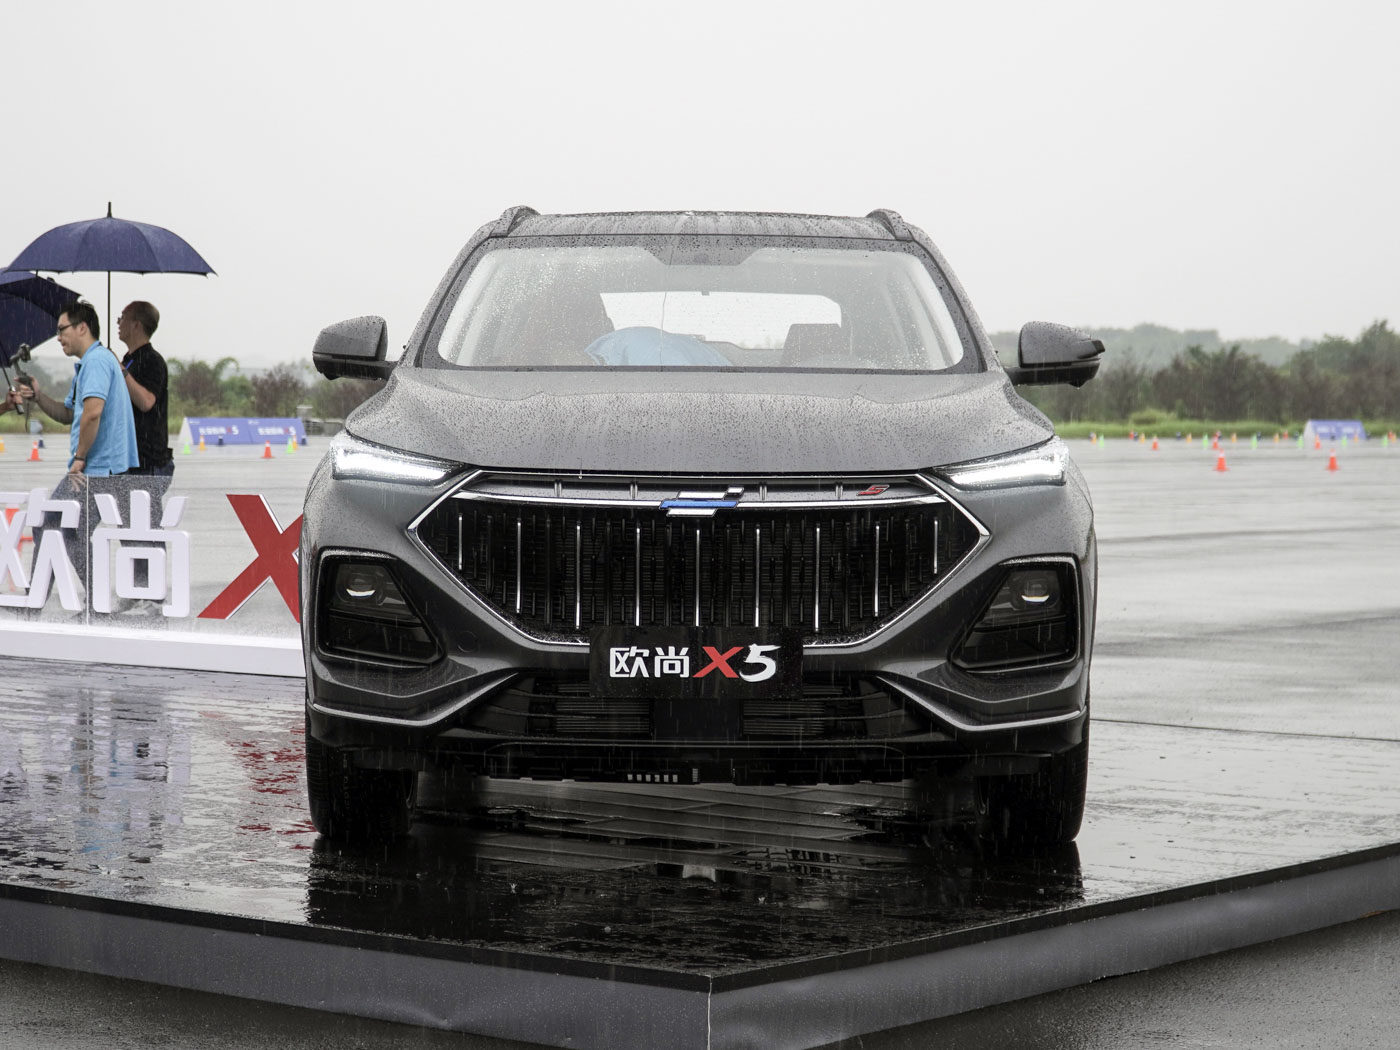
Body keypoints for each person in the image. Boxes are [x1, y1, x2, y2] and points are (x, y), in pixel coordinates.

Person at [7, 301, 140, 600]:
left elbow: (93, 413)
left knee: (56, 524)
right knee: (61, 528)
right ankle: (74, 600)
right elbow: (69, 414)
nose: (58, 337)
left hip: (98, 468)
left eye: (61, 329)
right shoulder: (89, 365)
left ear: (82, 328)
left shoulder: (96, 362)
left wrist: (80, 458)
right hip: (99, 467)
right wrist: (38, 395)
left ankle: (58, 600)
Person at [115, 302, 175, 589]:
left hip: (149, 461)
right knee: (129, 530)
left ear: (137, 324)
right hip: (128, 461)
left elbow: (147, 401)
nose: (118, 322)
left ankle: (153, 594)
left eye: (123, 317)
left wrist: (122, 372)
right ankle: (136, 589)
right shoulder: (128, 359)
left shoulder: (152, 361)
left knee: (147, 532)